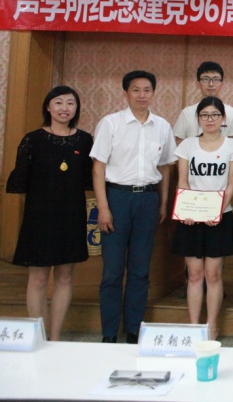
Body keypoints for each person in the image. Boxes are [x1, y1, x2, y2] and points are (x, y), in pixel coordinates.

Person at [91, 70, 177, 343]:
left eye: (147, 90)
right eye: (136, 90)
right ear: (126, 93)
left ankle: (133, 330)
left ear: (153, 93)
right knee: (113, 271)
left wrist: (163, 202)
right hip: (117, 198)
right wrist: (103, 208)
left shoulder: (162, 126)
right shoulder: (111, 123)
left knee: (140, 270)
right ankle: (109, 333)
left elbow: (165, 166)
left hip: (147, 200)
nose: (142, 95)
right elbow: (98, 167)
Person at [9, 86, 93, 341]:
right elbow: (21, 184)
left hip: (71, 216)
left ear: (76, 108)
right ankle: (39, 336)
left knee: (65, 276)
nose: (64, 108)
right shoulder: (32, 140)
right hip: (39, 217)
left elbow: (90, 179)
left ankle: (55, 338)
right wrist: (39, 208)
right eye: (58, 102)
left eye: (70, 103)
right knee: (38, 279)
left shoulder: (85, 140)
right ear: (48, 106)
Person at [172, 97, 233, 340]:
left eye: (214, 115)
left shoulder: (232, 146)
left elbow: (232, 182)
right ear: (198, 119)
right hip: (191, 217)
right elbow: (182, 180)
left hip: (219, 217)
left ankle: (212, 327)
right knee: (194, 274)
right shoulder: (187, 145)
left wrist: (218, 210)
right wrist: (187, 211)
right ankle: (194, 327)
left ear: (223, 119)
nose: (209, 119)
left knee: (213, 274)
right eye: (204, 115)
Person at [173, 61, 233, 143]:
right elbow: (179, 144)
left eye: (216, 79)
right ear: (198, 84)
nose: (211, 84)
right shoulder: (187, 113)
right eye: (206, 79)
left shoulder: (232, 113)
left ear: (222, 84)